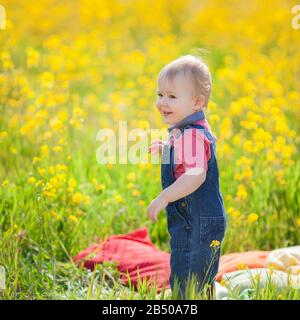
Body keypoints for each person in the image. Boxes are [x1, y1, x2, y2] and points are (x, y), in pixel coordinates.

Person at [147, 54, 227, 300]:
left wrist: (163, 197)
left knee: (191, 278)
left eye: (172, 96)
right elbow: (189, 156)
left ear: (197, 102)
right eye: (160, 94)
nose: (163, 102)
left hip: (198, 225)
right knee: (188, 273)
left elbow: (195, 175)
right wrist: (169, 148)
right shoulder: (187, 131)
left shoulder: (191, 134)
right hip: (195, 222)